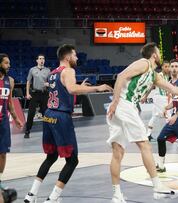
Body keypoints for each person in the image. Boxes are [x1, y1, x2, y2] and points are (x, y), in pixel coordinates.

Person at [106, 42, 178, 203]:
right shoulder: (144, 63)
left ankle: (116, 195)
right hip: (124, 105)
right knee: (145, 144)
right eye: (159, 52)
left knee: (117, 152)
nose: (160, 55)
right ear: (154, 55)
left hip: (122, 108)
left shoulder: (154, 75)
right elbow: (121, 76)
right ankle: (157, 186)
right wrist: (116, 101)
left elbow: (174, 90)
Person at [24, 44, 113, 203]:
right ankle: (53, 197)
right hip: (61, 117)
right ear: (67, 57)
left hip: (49, 116)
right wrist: (97, 88)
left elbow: (65, 90)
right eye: (75, 55)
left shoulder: (52, 73)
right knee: (72, 160)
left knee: (51, 156)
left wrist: (80, 87)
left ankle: (31, 194)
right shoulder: (69, 71)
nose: (77, 58)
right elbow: (72, 89)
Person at [0, 53, 24, 189]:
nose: (9, 66)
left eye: (9, 63)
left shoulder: (10, 81)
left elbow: (9, 102)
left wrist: (16, 119)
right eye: (6, 63)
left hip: (3, 122)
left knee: (2, 153)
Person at [141, 60, 171, 141]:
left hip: (160, 97)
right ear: (162, 67)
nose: (168, 68)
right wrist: (145, 96)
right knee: (168, 115)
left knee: (155, 116)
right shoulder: (159, 75)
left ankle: (148, 134)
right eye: (166, 66)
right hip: (160, 98)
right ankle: (170, 135)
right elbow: (151, 86)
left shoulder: (167, 76)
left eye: (168, 66)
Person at [24, 54, 51, 138]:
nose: (42, 60)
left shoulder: (48, 70)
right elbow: (28, 82)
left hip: (44, 94)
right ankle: (27, 131)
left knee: (46, 114)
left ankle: (49, 131)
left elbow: (51, 82)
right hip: (34, 94)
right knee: (31, 113)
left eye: (43, 58)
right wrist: (27, 93)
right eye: (40, 58)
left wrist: (48, 84)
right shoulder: (32, 70)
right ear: (37, 60)